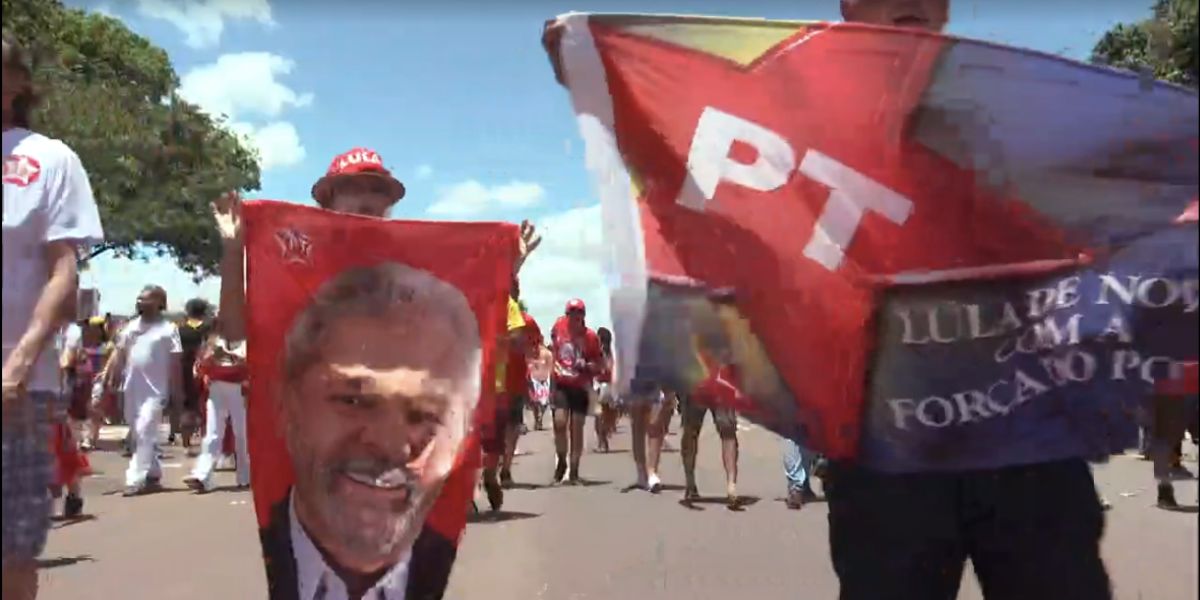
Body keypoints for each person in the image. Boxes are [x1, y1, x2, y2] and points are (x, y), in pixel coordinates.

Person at [259, 262, 483, 600]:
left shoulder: (456, 573)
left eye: (423, 415)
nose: (389, 445)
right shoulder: (240, 555)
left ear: (463, 434)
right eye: (353, 400)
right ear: (286, 402)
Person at [3, 31, 104, 600]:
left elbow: (63, 270)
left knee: (11, 547)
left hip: (17, 387)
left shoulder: (49, 158)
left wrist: (19, 362)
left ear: (17, 83)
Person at [104, 286, 184, 496]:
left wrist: (177, 392)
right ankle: (153, 472)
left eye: (146, 299)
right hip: (131, 388)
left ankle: (135, 479)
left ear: (159, 302)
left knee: (144, 428)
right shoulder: (131, 327)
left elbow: (175, 362)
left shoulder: (169, 329)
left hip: (156, 391)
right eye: (139, 299)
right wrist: (108, 377)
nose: (141, 303)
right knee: (139, 432)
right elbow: (119, 354)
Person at [184, 325, 250, 493]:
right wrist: (209, 360)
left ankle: (246, 476)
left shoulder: (247, 338)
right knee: (213, 434)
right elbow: (199, 365)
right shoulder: (214, 340)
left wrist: (227, 355)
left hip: (240, 389)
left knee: (242, 435)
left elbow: (250, 361)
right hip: (217, 389)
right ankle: (203, 475)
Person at [550, 299, 604, 484]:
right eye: (571, 313)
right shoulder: (558, 327)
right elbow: (553, 346)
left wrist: (588, 365)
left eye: (578, 313)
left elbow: (599, 364)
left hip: (580, 385)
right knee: (559, 423)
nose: (575, 317)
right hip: (562, 383)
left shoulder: (590, 337)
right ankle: (562, 459)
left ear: (583, 316)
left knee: (576, 428)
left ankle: (574, 470)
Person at [177, 298, 213, 452]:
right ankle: (206, 440)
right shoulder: (208, 328)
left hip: (184, 370)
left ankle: (186, 441)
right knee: (206, 406)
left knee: (187, 406)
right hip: (205, 370)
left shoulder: (180, 329)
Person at [593, 327, 618, 452]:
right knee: (606, 415)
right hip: (610, 386)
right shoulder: (611, 352)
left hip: (599, 385)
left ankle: (602, 442)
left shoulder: (599, 351)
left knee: (599, 416)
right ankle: (603, 440)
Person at [528, 342, 554, 430]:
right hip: (533, 380)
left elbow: (550, 367)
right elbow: (527, 365)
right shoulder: (529, 353)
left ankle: (540, 418)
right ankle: (537, 419)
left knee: (544, 403)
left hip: (544, 381)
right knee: (534, 402)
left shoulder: (547, 353)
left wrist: (548, 380)